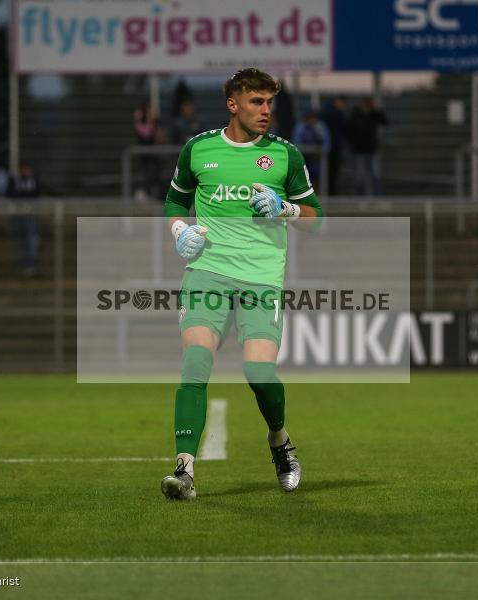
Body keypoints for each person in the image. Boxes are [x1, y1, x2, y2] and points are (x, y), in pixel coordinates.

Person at [161, 68, 323, 500]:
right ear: (233, 104)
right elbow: (175, 200)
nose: (266, 110)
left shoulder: (285, 155)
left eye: (269, 102)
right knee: (195, 363)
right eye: (256, 101)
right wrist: (179, 230)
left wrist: (286, 208)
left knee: (258, 372)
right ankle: (184, 470)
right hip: (207, 272)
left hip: (261, 278)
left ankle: (280, 441)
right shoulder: (198, 149)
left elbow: (316, 219)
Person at [347, 96, 388, 195]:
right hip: (359, 150)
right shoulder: (355, 115)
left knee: (376, 175)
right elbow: (349, 130)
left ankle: (378, 197)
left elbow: (385, 122)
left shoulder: (374, 115)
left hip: (372, 150)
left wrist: (378, 111)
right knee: (359, 177)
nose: (366, 107)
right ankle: (359, 198)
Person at [7, 163, 42, 277]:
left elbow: (35, 194)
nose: (25, 172)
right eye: (23, 170)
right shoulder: (14, 181)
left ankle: (30, 265)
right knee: (21, 241)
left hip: (30, 214)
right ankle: (23, 265)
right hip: (17, 214)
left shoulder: (34, 180)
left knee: (31, 240)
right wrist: (24, 195)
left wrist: (23, 195)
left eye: (27, 170)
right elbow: (11, 194)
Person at [292, 110, 331, 193]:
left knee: (316, 176)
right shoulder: (300, 126)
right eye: (310, 117)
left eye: (314, 117)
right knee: (304, 177)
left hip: (316, 158)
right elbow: (296, 143)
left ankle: (317, 194)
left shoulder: (320, 126)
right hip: (303, 157)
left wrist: (321, 150)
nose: (312, 120)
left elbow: (326, 142)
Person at [132, 100, 163, 201]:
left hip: (154, 152)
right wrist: (148, 121)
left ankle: (155, 192)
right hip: (144, 153)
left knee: (155, 172)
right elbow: (145, 135)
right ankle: (144, 191)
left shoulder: (155, 121)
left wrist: (154, 123)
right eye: (148, 110)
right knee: (145, 173)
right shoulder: (140, 122)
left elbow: (159, 136)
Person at [320, 96, 348, 196]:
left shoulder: (326, 111)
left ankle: (328, 191)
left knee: (329, 171)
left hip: (331, 146)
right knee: (331, 171)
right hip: (333, 146)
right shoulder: (335, 113)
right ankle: (330, 191)